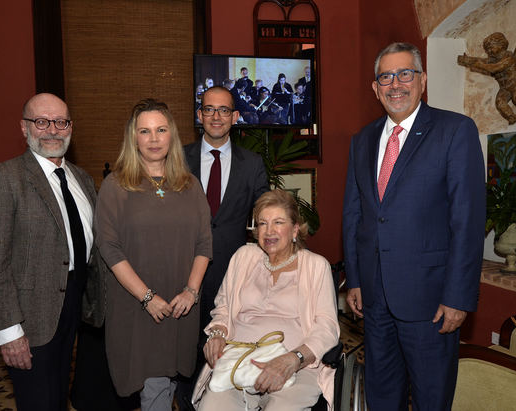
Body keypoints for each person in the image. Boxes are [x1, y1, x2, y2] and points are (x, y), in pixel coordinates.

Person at [342, 42, 486, 410]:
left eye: (405, 74)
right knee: (382, 396)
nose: (396, 84)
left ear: (422, 80)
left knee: (430, 399)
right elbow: (354, 215)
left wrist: (458, 296)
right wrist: (355, 279)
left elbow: (467, 221)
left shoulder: (455, 131)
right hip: (374, 301)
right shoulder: (362, 142)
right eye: (386, 77)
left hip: (431, 303)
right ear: (375, 88)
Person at [0, 93, 104, 410]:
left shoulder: (82, 178)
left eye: (60, 122)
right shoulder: (3, 179)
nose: (52, 130)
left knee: (58, 395)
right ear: (24, 127)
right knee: (38, 402)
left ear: (70, 127)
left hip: (74, 304)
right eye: (41, 122)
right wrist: (8, 333)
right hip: (30, 317)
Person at [95, 98, 212, 410]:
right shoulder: (116, 186)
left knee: (168, 381)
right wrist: (147, 297)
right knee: (154, 387)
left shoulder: (190, 186)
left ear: (171, 135)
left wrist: (191, 291)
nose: (154, 138)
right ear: (133, 138)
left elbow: (204, 243)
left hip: (180, 306)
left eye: (161, 130)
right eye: (145, 131)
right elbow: (109, 249)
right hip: (137, 309)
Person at [193, 189, 340, 410]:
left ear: (295, 229)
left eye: (278, 222)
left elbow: (327, 327)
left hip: (295, 368)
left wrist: (294, 358)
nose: (269, 231)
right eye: (262, 223)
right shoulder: (243, 257)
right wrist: (216, 334)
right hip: (238, 363)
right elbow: (222, 309)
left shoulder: (315, 265)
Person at [177, 86, 268, 410]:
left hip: (234, 273)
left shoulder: (252, 163)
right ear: (199, 115)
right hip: (184, 272)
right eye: (209, 109)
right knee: (185, 348)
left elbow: (264, 216)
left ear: (235, 116)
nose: (216, 116)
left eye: (224, 110)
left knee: (224, 347)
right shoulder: (177, 158)